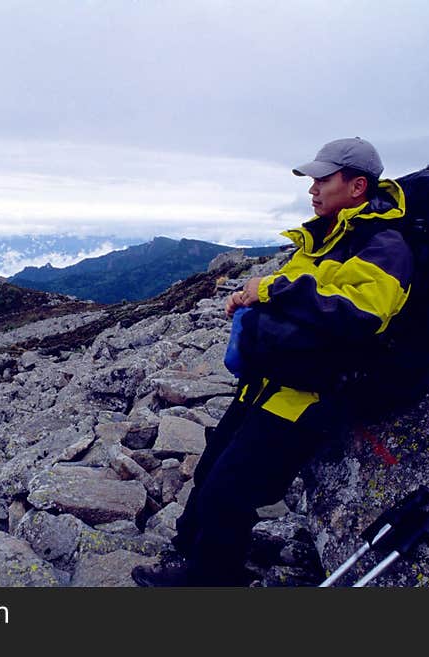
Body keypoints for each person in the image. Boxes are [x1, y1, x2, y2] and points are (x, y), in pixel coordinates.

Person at [132, 137, 414, 586]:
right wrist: (249, 296)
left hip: (309, 393)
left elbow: (363, 314)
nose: (313, 189)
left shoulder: (384, 244)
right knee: (212, 466)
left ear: (357, 185)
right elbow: (294, 286)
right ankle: (185, 554)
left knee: (232, 486)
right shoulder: (326, 236)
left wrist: (271, 290)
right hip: (272, 378)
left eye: (323, 179)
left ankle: (209, 580)